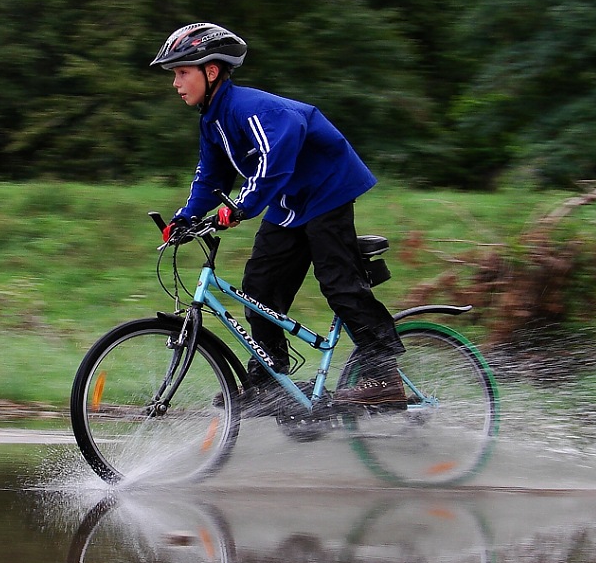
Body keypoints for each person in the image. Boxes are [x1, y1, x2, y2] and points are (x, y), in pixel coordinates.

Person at [151, 22, 405, 409]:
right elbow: (210, 175)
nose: (176, 83)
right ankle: (270, 379)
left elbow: (273, 160)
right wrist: (185, 218)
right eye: (175, 75)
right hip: (289, 206)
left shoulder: (251, 107)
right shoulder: (212, 121)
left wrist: (241, 207)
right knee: (259, 288)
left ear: (212, 71)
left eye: (182, 72)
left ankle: (382, 378)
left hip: (327, 191)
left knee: (338, 283)